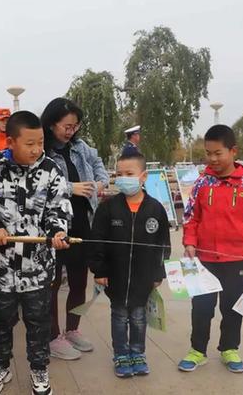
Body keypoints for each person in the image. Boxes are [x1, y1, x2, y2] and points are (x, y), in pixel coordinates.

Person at [0, 111, 73, 395]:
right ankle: (0, 366)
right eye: (30, 144)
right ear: (11, 141)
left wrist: (58, 233)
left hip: (37, 269)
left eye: (41, 143)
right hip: (0, 270)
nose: (37, 150)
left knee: (38, 323)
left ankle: (39, 370)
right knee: (0, 323)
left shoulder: (51, 171)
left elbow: (59, 209)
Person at [178, 124, 243, 374]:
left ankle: (229, 348)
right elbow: (191, 218)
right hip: (203, 260)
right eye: (208, 153)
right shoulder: (201, 182)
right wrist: (189, 242)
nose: (212, 159)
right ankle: (197, 350)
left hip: (236, 260)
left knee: (233, 307)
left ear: (233, 151)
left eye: (218, 153)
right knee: (201, 308)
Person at [89, 152, 170, 378]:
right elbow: (97, 241)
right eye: (119, 174)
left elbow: (163, 244)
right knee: (119, 316)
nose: (123, 178)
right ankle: (121, 355)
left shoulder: (155, 209)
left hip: (143, 278)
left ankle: (137, 353)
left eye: (129, 174)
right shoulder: (107, 208)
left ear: (143, 177)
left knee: (138, 317)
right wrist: (99, 269)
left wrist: (158, 272)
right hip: (115, 276)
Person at [41, 97, 110, 360]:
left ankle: (72, 330)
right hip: (55, 225)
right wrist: (71, 187)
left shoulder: (80, 147)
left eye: (75, 126)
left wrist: (100, 183)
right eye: (66, 126)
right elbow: (38, 184)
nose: (71, 131)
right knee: (53, 282)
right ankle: (53, 336)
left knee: (80, 280)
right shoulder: (43, 150)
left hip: (83, 221)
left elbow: (98, 165)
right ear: (51, 124)